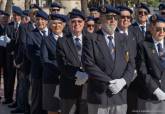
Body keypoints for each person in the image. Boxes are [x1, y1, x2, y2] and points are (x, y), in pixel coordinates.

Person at [82, 5, 134, 114]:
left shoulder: (123, 38)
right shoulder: (91, 38)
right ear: (101, 19)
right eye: (109, 17)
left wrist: (123, 81)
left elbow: (130, 63)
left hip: (119, 95)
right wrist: (110, 82)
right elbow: (88, 65)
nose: (113, 21)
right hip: (99, 95)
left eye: (116, 18)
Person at [56, 9, 88, 114]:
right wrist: (78, 74)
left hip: (88, 88)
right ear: (69, 23)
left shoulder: (91, 39)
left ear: (84, 23)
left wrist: (88, 75)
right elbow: (62, 65)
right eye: (73, 21)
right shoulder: (62, 42)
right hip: (68, 88)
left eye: (79, 21)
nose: (76, 24)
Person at [137, 15, 165, 114]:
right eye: (158, 29)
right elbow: (142, 71)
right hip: (150, 96)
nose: (162, 32)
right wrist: (156, 90)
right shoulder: (143, 45)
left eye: (164, 29)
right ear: (151, 29)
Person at [41, 13, 67, 114]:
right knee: (53, 109)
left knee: (67, 108)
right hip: (51, 79)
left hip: (67, 80)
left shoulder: (68, 39)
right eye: (54, 23)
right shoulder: (46, 40)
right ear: (50, 25)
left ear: (63, 25)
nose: (57, 26)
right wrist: (60, 72)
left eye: (59, 23)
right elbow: (45, 60)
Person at [26, 10, 49, 114]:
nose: (40, 22)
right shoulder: (31, 35)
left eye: (43, 20)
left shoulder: (53, 33)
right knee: (36, 100)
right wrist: (46, 60)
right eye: (38, 20)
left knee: (50, 100)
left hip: (52, 73)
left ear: (47, 21)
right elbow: (30, 55)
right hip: (38, 72)